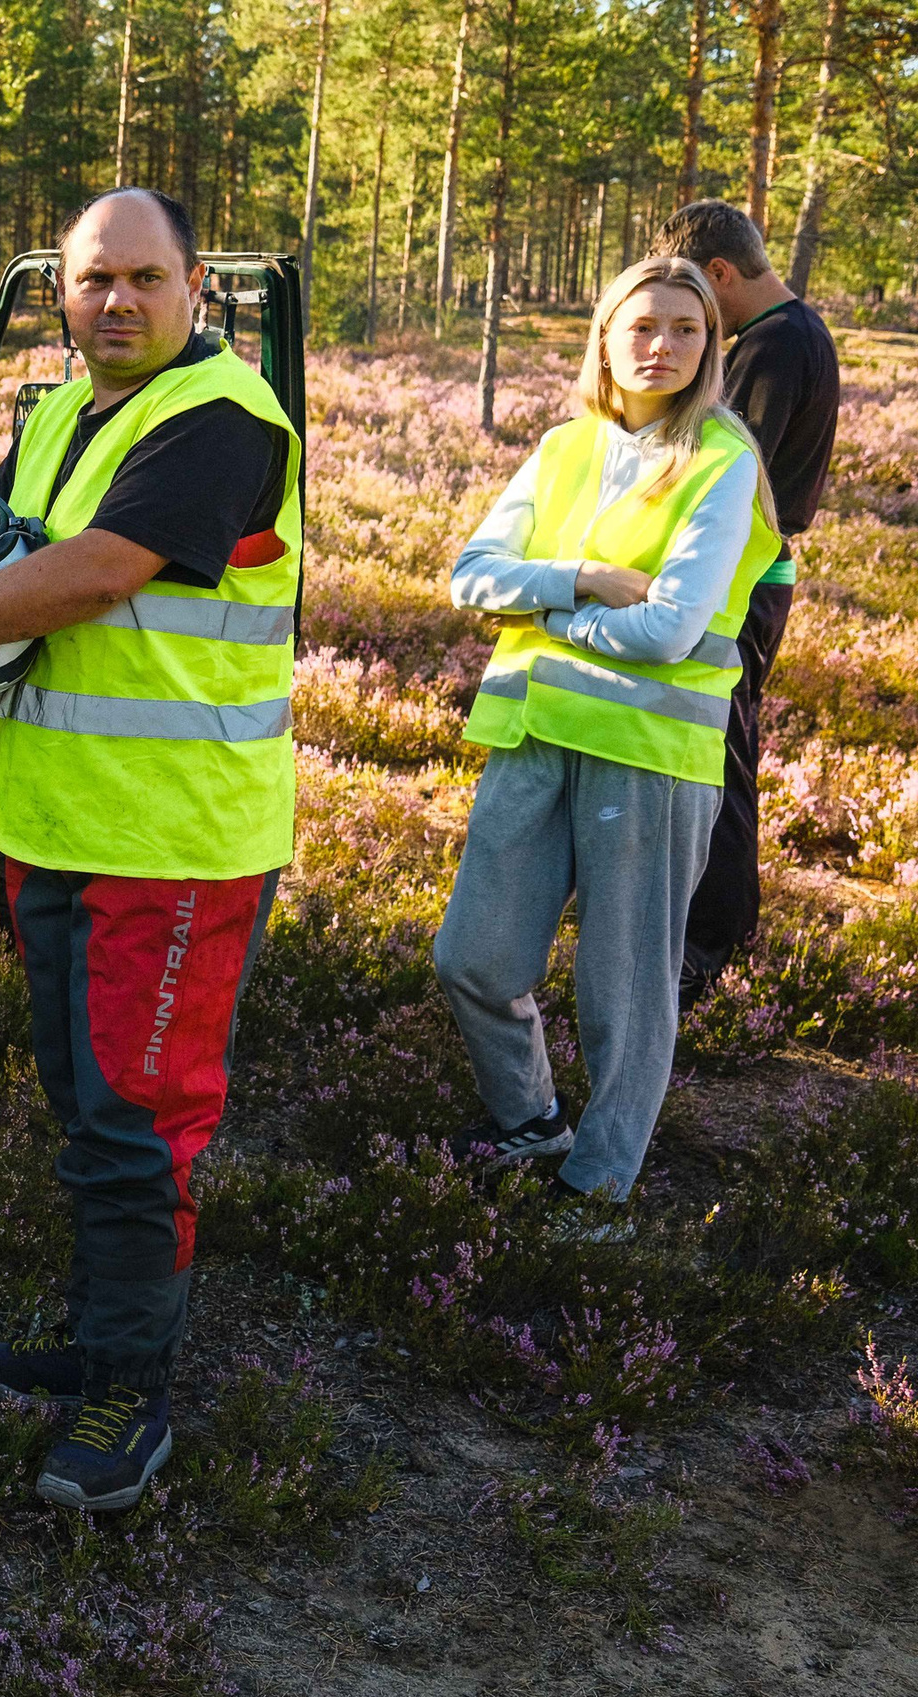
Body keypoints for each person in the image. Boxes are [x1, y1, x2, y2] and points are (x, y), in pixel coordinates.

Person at [0, 187, 299, 1513]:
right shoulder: (64, 413)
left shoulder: (222, 419)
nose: (119, 302)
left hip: (174, 846)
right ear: (64, 293)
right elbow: (0, 534)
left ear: (197, 287)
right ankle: (99, 1342)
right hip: (57, 823)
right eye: (95, 280)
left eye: (146, 277)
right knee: (90, 1111)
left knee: (138, 1121)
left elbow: (97, 570)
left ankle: (130, 1396)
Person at [435, 256, 781, 1230]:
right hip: (535, 733)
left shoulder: (721, 459)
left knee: (622, 994)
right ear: (604, 336)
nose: (662, 346)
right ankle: (531, 1122)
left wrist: (541, 606)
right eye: (643, 326)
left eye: (686, 329)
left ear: (710, 346)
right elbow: (469, 576)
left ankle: (596, 1185)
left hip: (647, 752)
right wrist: (581, 578)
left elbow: (668, 631)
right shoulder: (561, 449)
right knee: (474, 959)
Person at [648, 201, 841, 1009]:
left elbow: (733, 478)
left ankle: (711, 940)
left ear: (722, 274)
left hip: (742, 577)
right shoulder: (799, 332)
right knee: (719, 746)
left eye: (697, 295)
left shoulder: (770, 347)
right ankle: (714, 927)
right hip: (748, 574)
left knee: (719, 752)